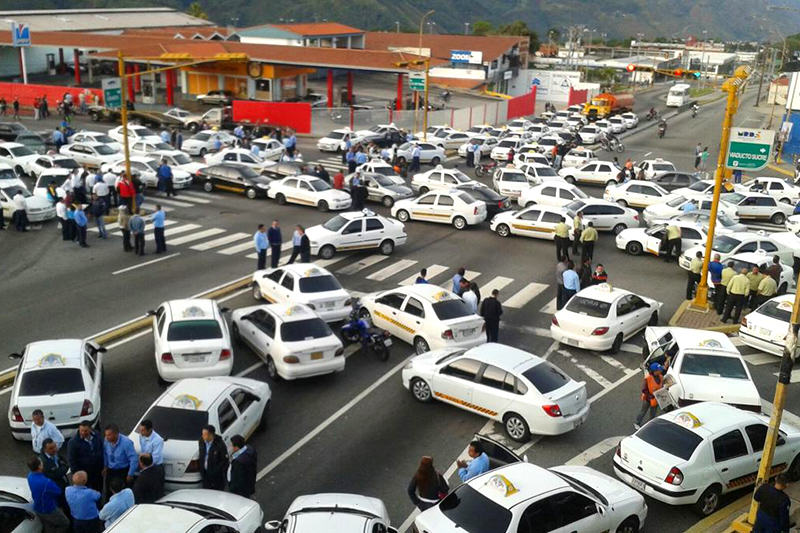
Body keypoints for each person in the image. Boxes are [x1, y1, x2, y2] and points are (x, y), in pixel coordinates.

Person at [27, 456, 69, 533]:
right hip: (48, 509)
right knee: (65, 523)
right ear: (39, 466)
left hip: (37, 506)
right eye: (41, 462)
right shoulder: (46, 482)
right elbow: (58, 491)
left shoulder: (30, 476)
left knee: (48, 525)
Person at [102, 424, 138, 501]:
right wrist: (105, 466)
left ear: (116, 434)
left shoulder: (126, 443)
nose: (107, 437)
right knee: (109, 493)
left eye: (109, 435)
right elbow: (105, 454)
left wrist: (130, 474)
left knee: (122, 494)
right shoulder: (106, 440)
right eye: (106, 435)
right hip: (111, 470)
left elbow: (133, 459)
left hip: (123, 471)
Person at [67, 421, 104, 492]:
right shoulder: (73, 442)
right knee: (88, 491)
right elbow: (71, 460)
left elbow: (102, 449)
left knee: (99, 489)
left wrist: (104, 466)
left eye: (86, 431)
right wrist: (77, 475)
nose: (83, 433)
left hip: (98, 471)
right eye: (81, 430)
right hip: (85, 474)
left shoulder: (97, 435)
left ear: (90, 429)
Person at [198, 425, 228, 490]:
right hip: (205, 475)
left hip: (217, 478)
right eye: (202, 434)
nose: (202, 436)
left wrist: (216, 471)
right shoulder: (201, 441)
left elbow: (224, 461)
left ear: (211, 435)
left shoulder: (220, 445)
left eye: (204, 434)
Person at [635, 363, 664, 429]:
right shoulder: (648, 378)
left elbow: (661, 386)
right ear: (654, 371)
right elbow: (644, 389)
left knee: (653, 413)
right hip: (648, 399)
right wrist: (650, 396)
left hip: (656, 399)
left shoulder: (661, 377)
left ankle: (650, 424)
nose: (660, 371)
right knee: (643, 411)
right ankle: (637, 422)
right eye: (659, 370)